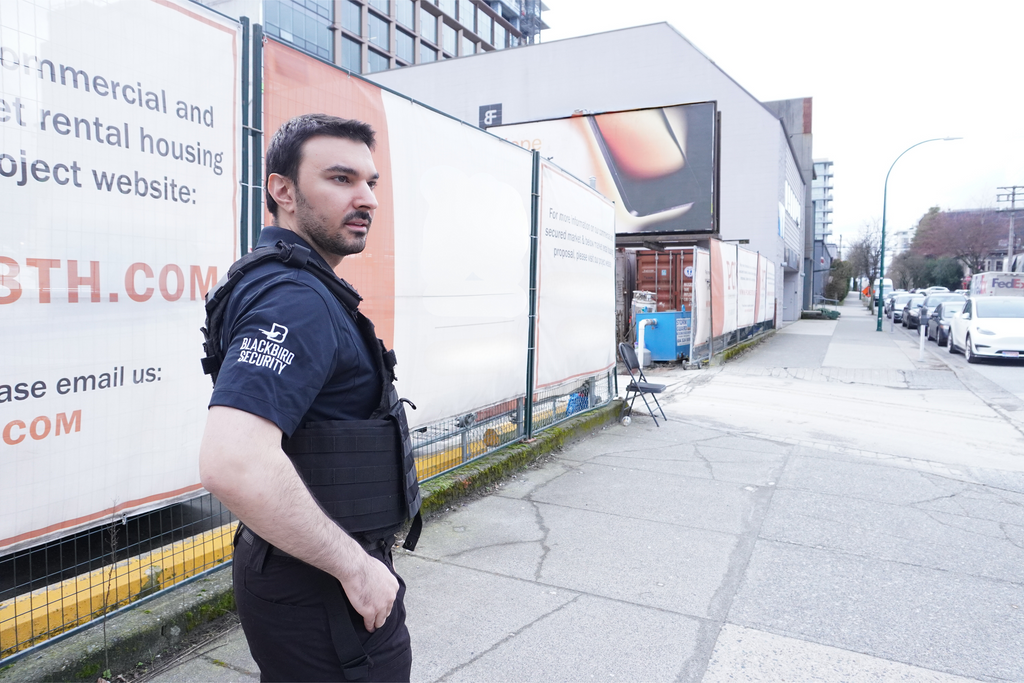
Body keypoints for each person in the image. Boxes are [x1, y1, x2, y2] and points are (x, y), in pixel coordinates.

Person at [199, 114, 420, 682]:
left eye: (370, 182)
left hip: (303, 574)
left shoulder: (292, 282)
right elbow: (234, 462)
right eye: (341, 179)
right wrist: (357, 570)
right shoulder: (294, 298)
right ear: (283, 190)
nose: (366, 198)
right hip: (323, 588)